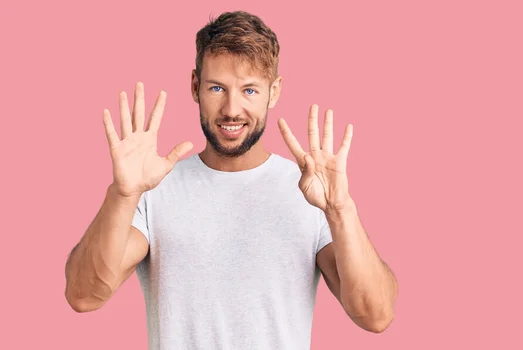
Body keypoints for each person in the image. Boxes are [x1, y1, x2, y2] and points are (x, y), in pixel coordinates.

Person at [64, 10, 398, 350]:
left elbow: (375, 315)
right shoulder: (153, 189)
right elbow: (84, 295)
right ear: (195, 86)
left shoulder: (311, 193)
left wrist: (340, 210)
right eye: (216, 87)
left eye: (250, 90)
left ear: (274, 91)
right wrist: (122, 195)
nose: (231, 109)